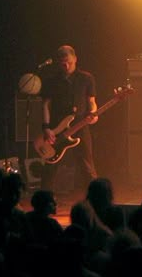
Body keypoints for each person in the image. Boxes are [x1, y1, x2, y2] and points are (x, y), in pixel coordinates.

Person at [40, 45, 99, 199]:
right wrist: (46, 128)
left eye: (69, 62)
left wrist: (94, 114)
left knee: (87, 165)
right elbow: (46, 105)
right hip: (56, 129)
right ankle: (45, 201)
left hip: (80, 126)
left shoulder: (86, 78)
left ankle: (96, 199)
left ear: (75, 59)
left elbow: (92, 102)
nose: (66, 66)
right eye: (63, 63)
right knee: (50, 167)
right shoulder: (51, 81)